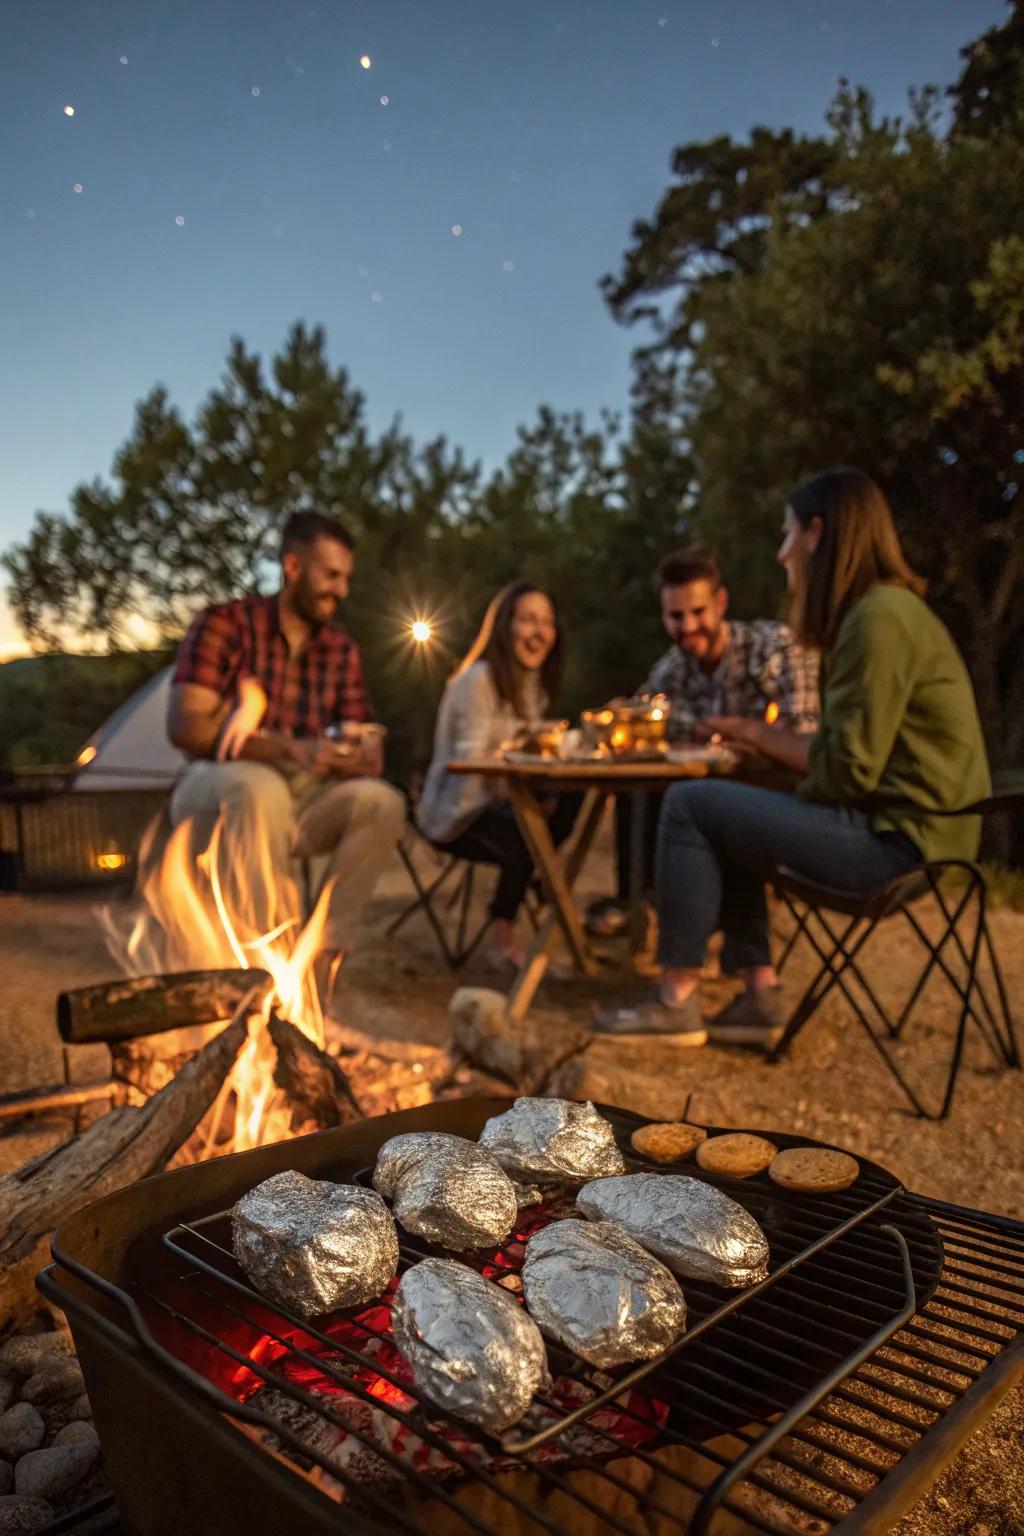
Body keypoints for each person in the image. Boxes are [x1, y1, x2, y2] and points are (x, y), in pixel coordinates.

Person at [595, 467, 990, 1046]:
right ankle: (760, 993)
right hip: (927, 836)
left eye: (787, 535)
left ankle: (675, 998)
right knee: (729, 805)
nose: (782, 555)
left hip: (898, 848)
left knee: (689, 803)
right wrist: (753, 737)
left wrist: (757, 742)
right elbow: (842, 753)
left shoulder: (875, 621)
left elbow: (843, 773)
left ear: (816, 533)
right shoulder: (886, 612)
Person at [167, 510, 405, 1005]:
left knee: (382, 802)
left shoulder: (340, 649)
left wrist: (351, 752)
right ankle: (264, 972)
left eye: (346, 579)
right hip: (214, 788)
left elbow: (368, 754)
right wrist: (290, 748)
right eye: (331, 576)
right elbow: (186, 728)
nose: (341, 591)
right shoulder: (226, 624)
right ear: (293, 568)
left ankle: (318, 959)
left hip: (304, 798)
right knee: (261, 787)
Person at [587, 544, 819, 939]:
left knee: (705, 802)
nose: (688, 626)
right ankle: (639, 903)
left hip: (778, 793)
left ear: (721, 602)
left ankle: (697, 925)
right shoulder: (672, 667)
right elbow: (639, 717)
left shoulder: (772, 646)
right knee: (638, 785)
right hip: (706, 788)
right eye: (676, 616)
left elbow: (802, 732)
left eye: (698, 612)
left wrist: (730, 733)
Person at [417, 581, 579, 971]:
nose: (539, 632)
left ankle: (545, 885)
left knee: (574, 795)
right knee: (527, 837)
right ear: (505, 627)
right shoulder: (478, 680)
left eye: (546, 623)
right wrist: (524, 758)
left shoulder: (533, 686)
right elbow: (470, 762)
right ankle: (503, 940)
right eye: (528, 620)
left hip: (500, 805)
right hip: (457, 813)